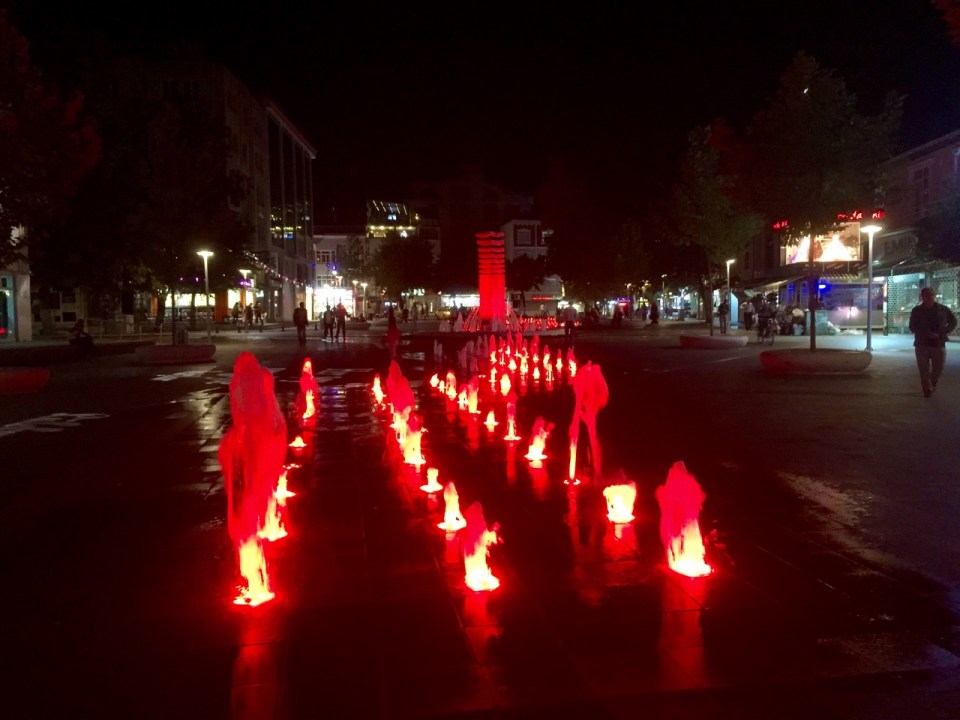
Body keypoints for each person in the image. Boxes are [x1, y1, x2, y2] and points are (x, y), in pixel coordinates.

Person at [909, 287, 957, 397]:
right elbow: (912, 326)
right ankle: (927, 388)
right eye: (927, 295)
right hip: (922, 343)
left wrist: (945, 331)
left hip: (938, 342)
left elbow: (953, 321)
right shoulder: (917, 311)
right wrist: (926, 333)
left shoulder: (943, 309)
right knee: (923, 368)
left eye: (932, 295)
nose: (930, 297)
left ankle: (932, 382)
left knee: (939, 367)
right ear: (922, 297)